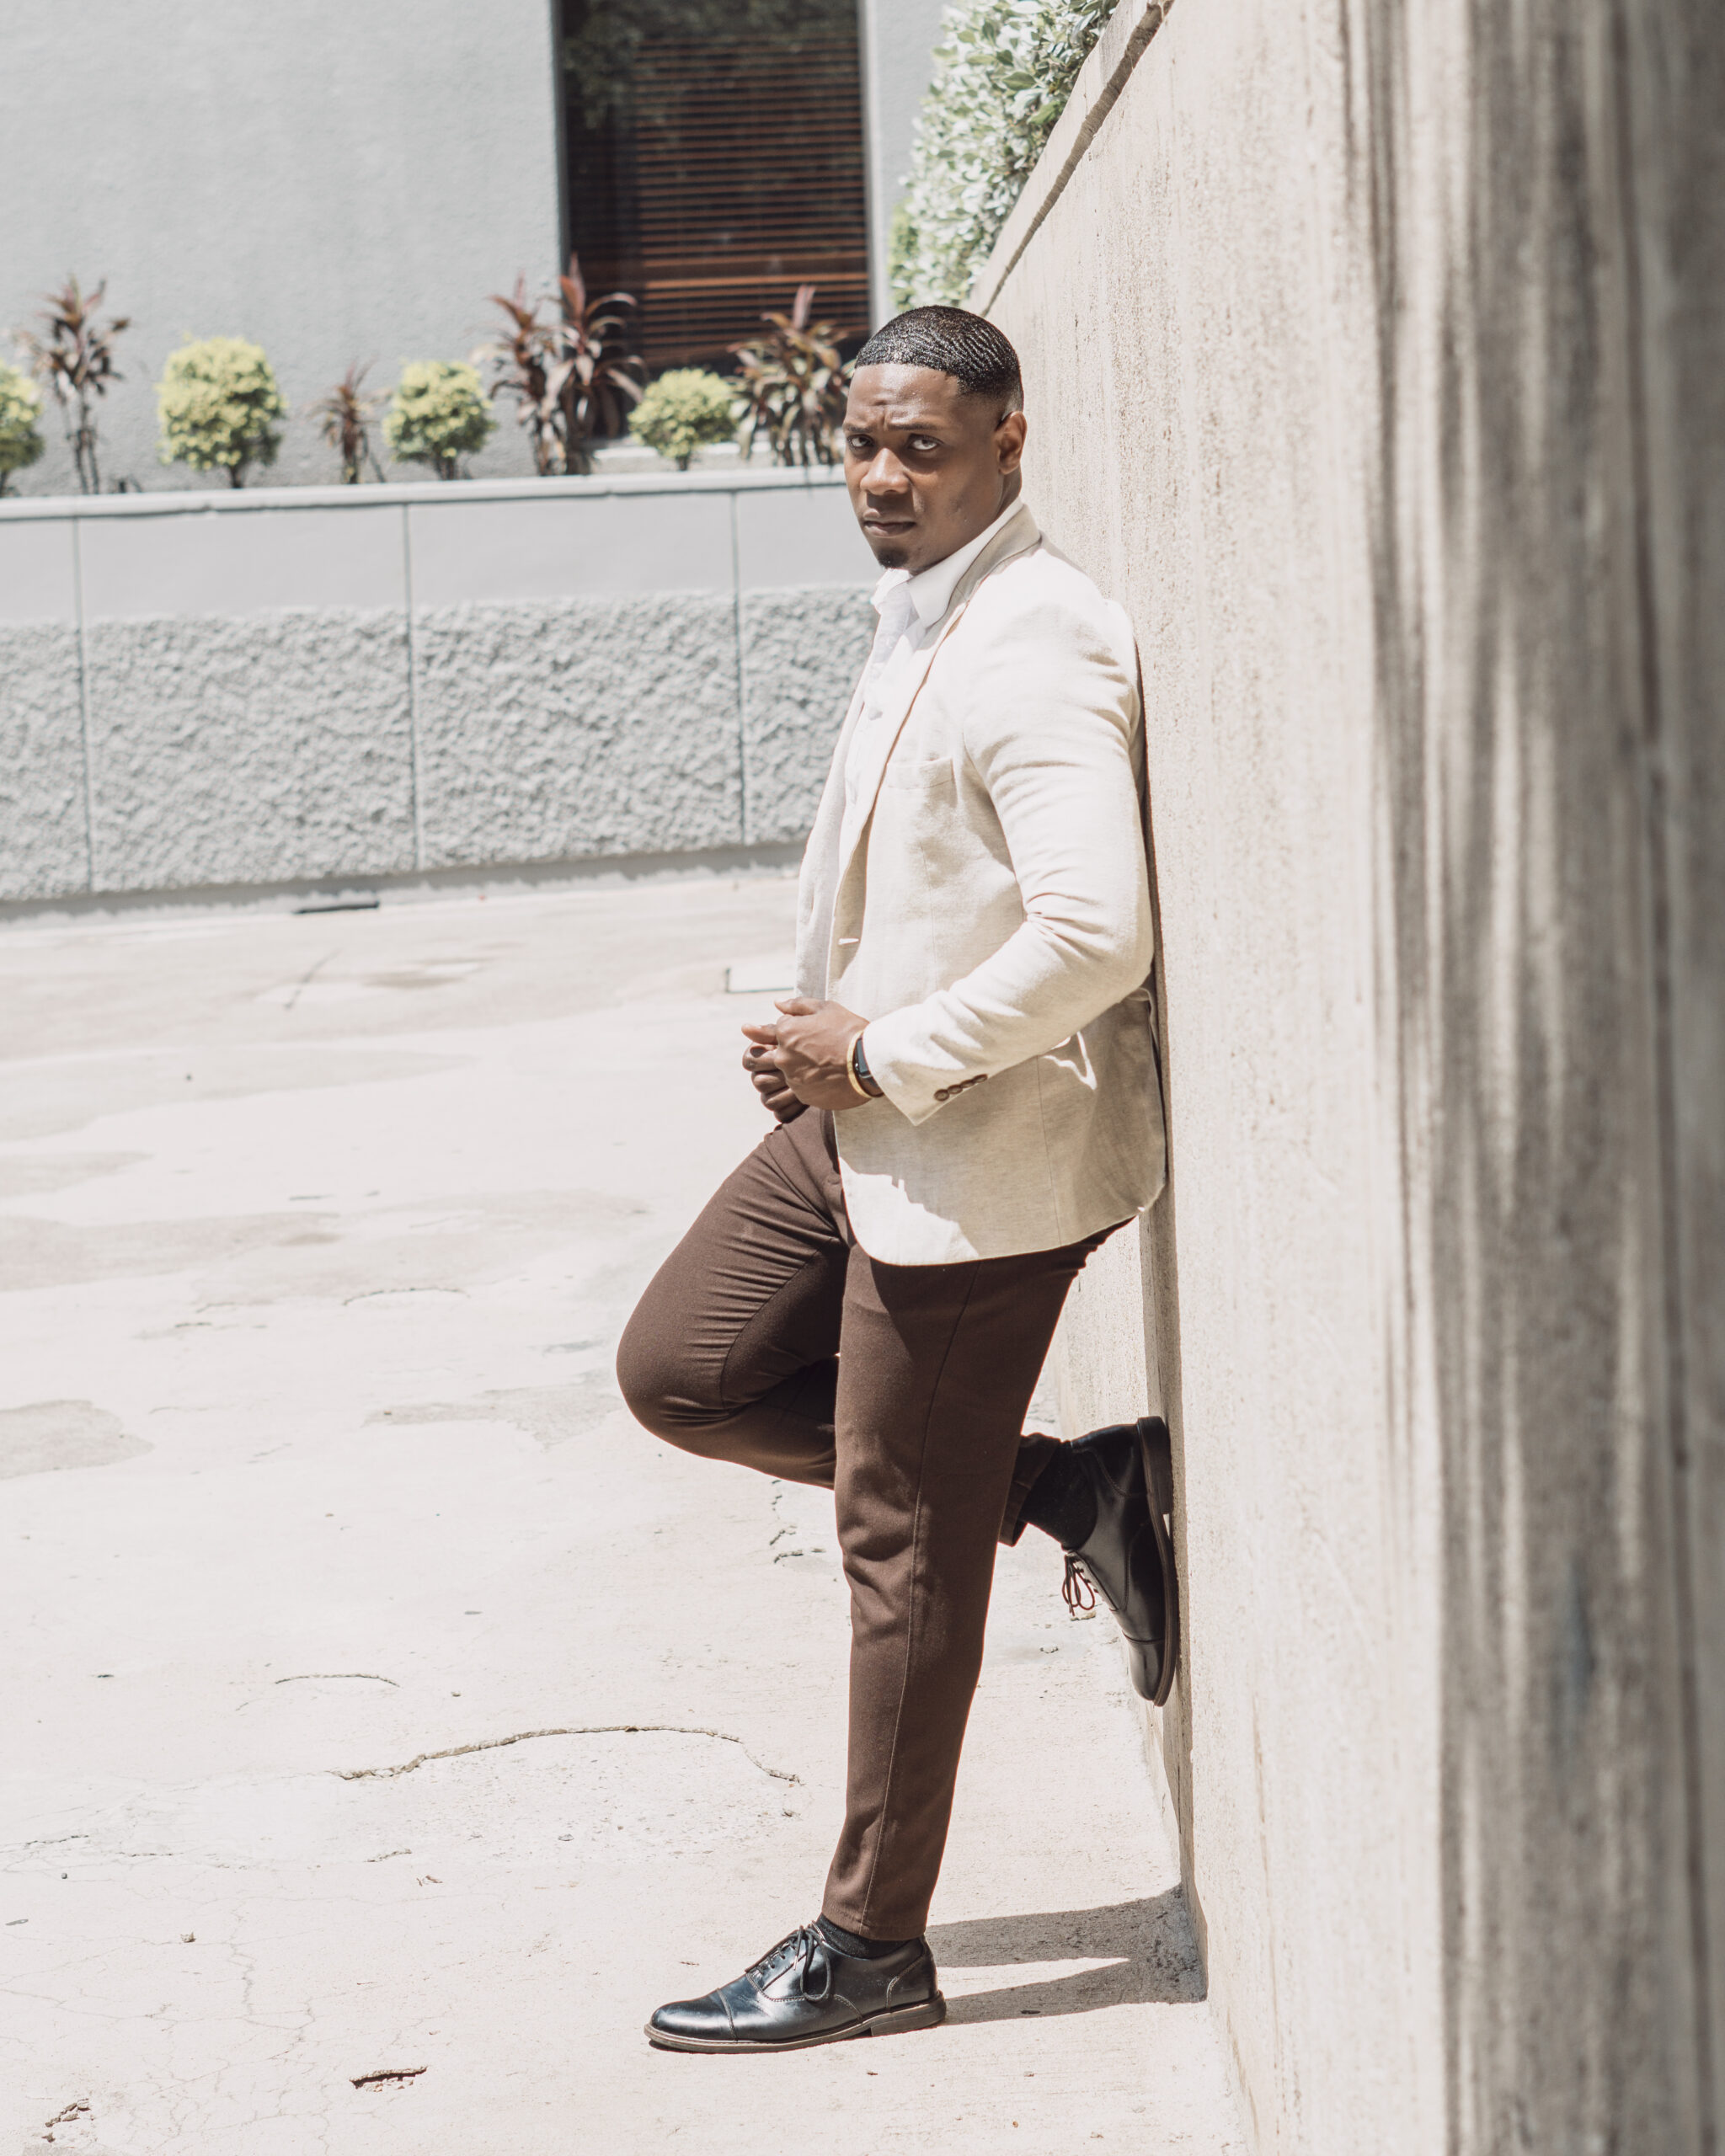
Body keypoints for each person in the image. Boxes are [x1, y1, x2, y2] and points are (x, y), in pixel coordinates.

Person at [617, 306, 1175, 2054]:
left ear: (1008, 443)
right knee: (685, 1369)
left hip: (979, 1149)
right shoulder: (930, 603)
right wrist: (837, 1049)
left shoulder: (1034, 642)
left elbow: (1098, 934)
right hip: (865, 1116)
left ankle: (871, 1947)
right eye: (861, 442)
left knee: (897, 1540)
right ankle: (1068, 1483)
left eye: (919, 447)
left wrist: (875, 1049)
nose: (879, 475)